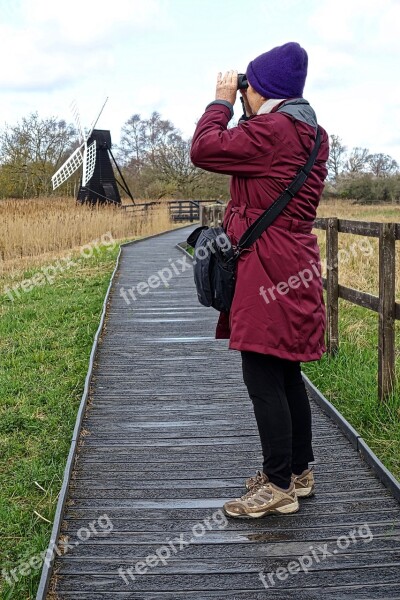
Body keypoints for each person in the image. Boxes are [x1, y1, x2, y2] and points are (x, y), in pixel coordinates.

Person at [190, 42, 329, 518]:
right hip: (295, 260)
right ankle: (299, 471)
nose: (242, 92)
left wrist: (220, 101)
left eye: (248, 86)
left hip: (269, 265)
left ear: (263, 90)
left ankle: (277, 486)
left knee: (262, 374)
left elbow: (205, 148)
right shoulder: (310, 131)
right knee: (286, 370)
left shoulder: (272, 130)